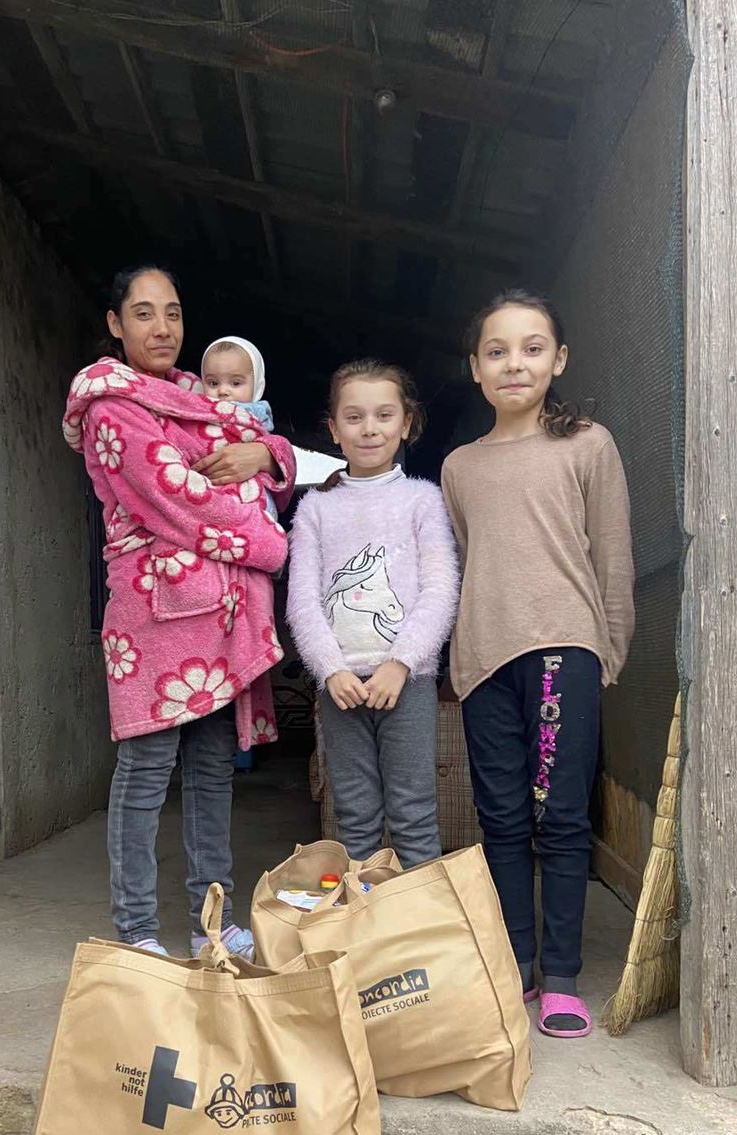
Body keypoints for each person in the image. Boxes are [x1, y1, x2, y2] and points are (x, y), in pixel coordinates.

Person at [63, 266, 296, 958]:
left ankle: (210, 921)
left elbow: (267, 447)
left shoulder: (197, 395)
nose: (162, 328)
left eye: (172, 312)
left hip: (218, 620)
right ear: (115, 324)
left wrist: (262, 451)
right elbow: (177, 497)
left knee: (213, 770)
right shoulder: (111, 407)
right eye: (143, 313)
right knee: (146, 772)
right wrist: (270, 545)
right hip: (156, 620)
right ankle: (137, 929)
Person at [441, 289, 634, 1039]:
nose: (514, 363)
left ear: (559, 359)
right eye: (496, 351)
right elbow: (469, 559)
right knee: (500, 818)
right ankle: (516, 963)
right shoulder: (460, 466)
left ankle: (561, 976)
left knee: (559, 817)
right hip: (484, 660)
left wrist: (608, 649)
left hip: (563, 650)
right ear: (475, 368)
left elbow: (611, 554)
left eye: (531, 347)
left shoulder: (588, 445)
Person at [286, 358, 459, 866]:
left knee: (414, 814)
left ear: (406, 424)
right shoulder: (315, 509)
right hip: (340, 688)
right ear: (333, 429)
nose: (369, 428)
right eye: (354, 417)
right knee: (354, 817)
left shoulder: (423, 500)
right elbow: (302, 600)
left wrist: (400, 663)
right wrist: (330, 670)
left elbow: (440, 589)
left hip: (407, 683)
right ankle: (361, 912)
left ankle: (414, 914)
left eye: (384, 415)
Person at [201, 336, 279, 519]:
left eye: (235, 383)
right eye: (213, 383)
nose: (223, 391)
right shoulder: (197, 412)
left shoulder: (257, 417)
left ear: (257, 385)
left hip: (252, 496)